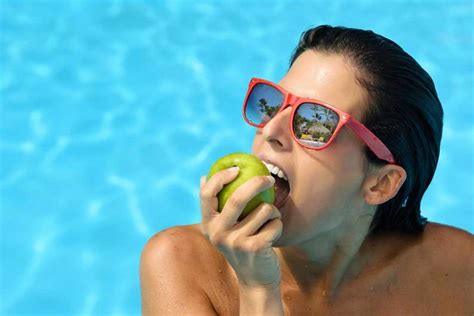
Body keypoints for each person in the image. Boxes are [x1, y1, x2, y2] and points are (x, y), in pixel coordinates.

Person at [140, 25, 473, 315]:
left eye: (315, 121)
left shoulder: (456, 273)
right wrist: (257, 291)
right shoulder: (182, 265)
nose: (271, 131)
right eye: (272, 104)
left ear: (381, 183)